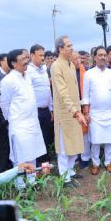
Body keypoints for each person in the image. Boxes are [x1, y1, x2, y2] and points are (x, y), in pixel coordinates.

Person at [0, 49, 46, 181]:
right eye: (23, 59)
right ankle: (20, 185)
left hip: (32, 122)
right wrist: (13, 120)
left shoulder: (27, 76)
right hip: (19, 125)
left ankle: (32, 182)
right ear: (14, 63)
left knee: (32, 153)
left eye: (26, 59)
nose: (26, 61)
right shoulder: (8, 80)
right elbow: (4, 105)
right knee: (20, 157)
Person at [50, 37, 86, 186]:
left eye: (72, 45)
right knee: (64, 147)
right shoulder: (56, 66)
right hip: (65, 113)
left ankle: (70, 172)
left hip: (75, 110)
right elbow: (63, 92)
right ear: (60, 49)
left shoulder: (71, 64)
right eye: (68, 46)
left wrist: (78, 110)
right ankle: (64, 178)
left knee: (74, 144)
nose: (72, 48)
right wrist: (76, 112)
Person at [82, 46, 111, 175]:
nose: (103, 57)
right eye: (100, 55)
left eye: (105, 55)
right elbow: (86, 95)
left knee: (110, 139)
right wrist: (86, 113)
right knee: (95, 140)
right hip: (95, 114)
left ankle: (108, 162)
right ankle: (95, 163)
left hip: (110, 112)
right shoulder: (89, 74)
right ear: (94, 57)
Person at [26, 44, 54, 164]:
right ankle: (37, 163)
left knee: (46, 137)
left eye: (43, 55)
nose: (43, 58)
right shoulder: (28, 71)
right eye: (40, 55)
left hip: (46, 110)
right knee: (37, 138)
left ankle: (45, 162)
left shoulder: (44, 70)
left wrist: (51, 109)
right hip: (35, 111)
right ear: (32, 55)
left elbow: (48, 90)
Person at [71, 51, 91, 169]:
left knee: (84, 134)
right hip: (72, 107)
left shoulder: (87, 71)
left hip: (84, 105)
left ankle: (85, 158)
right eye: (75, 59)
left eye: (79, 58)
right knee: (74, 133)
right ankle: (75, 157)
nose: (78, 61)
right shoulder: (68, 72)